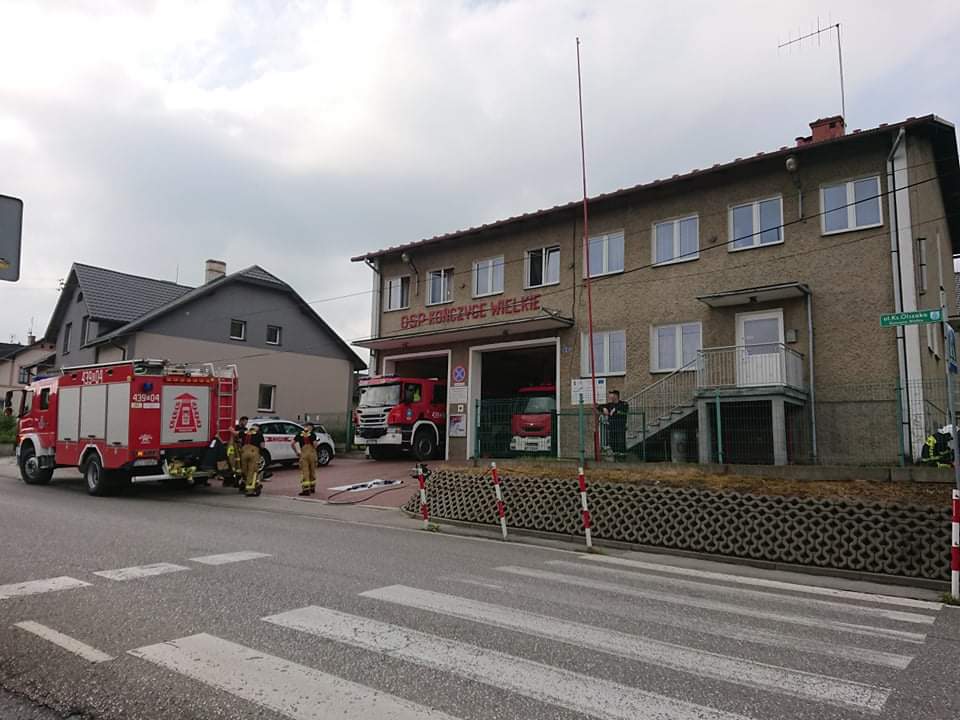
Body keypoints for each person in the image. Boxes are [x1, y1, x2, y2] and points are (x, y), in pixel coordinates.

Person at [599, 389, 629, 455]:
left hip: (620, 427)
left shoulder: (623, 404)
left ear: (616, 396)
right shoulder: (609, 405)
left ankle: (622, 454)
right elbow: (599, 406)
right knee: (612, 442)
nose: (610, 397)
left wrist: (615, 409)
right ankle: (614, 453)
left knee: (620, 442)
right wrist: (603, 408)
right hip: (612, 426)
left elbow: (624, 408)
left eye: (611, 395)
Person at [239, 420, 265, 497]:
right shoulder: (259, 434)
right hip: (254, 453)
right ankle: (250, 489)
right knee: (252, 471)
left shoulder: (244, 433)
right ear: (257, 429)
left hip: (244, 453)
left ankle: (245, 483)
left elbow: (238, 439)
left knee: (245, 470)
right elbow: (262, 446)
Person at [292, 422, 318, 496]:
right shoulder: (313, 434)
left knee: (305, 472)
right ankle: (312, 488)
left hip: (303, 454)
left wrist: (297, 452)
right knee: (312, 471)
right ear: (311, 427)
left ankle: (306, 490)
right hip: (312, 454)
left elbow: (292, 443)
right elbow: (315, 445)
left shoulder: (299, 434)